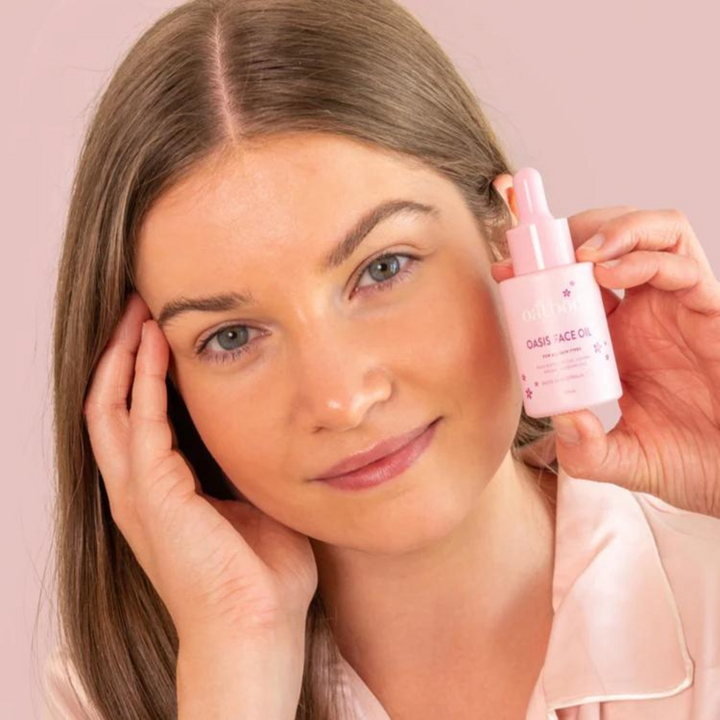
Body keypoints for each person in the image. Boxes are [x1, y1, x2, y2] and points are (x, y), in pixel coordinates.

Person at [42, 0, 720, 718]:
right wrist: (235, 661)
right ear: (156, 390)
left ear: (505, 235)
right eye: (232, 337)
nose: (340, 398)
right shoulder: (114, 699)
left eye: (384, 267)